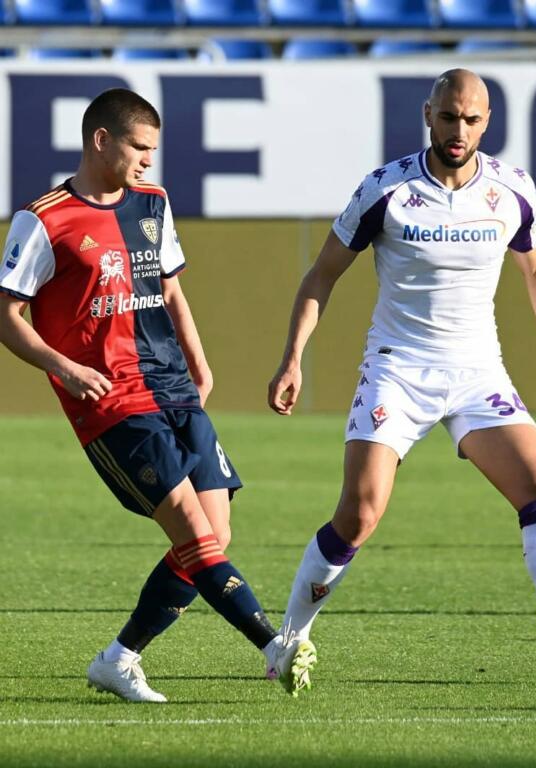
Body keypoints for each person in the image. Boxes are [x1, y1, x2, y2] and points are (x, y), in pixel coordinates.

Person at [268, 69, 536, 683]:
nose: (459, 130)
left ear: (487, 122)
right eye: (449, 116)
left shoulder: (512, 189)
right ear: (428, 114)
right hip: (397, 370)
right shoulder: (387, 190)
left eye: (472, 119)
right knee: (359, 512)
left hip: (477, 369)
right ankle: (288, 640)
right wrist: (294, 355)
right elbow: (322, 274)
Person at [0, 88, 316, 702]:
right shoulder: (44, 218)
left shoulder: (153, 201)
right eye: (139, 148)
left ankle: (118, 659)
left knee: (213, 537)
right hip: (110, 399)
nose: (149, 160)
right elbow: (8, 314)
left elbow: (169, 290)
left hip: (172, 384)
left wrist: (199, 362)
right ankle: (273, 643)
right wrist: (64, 368)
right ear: (101, 141)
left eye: (153, 149)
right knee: (196, 537)